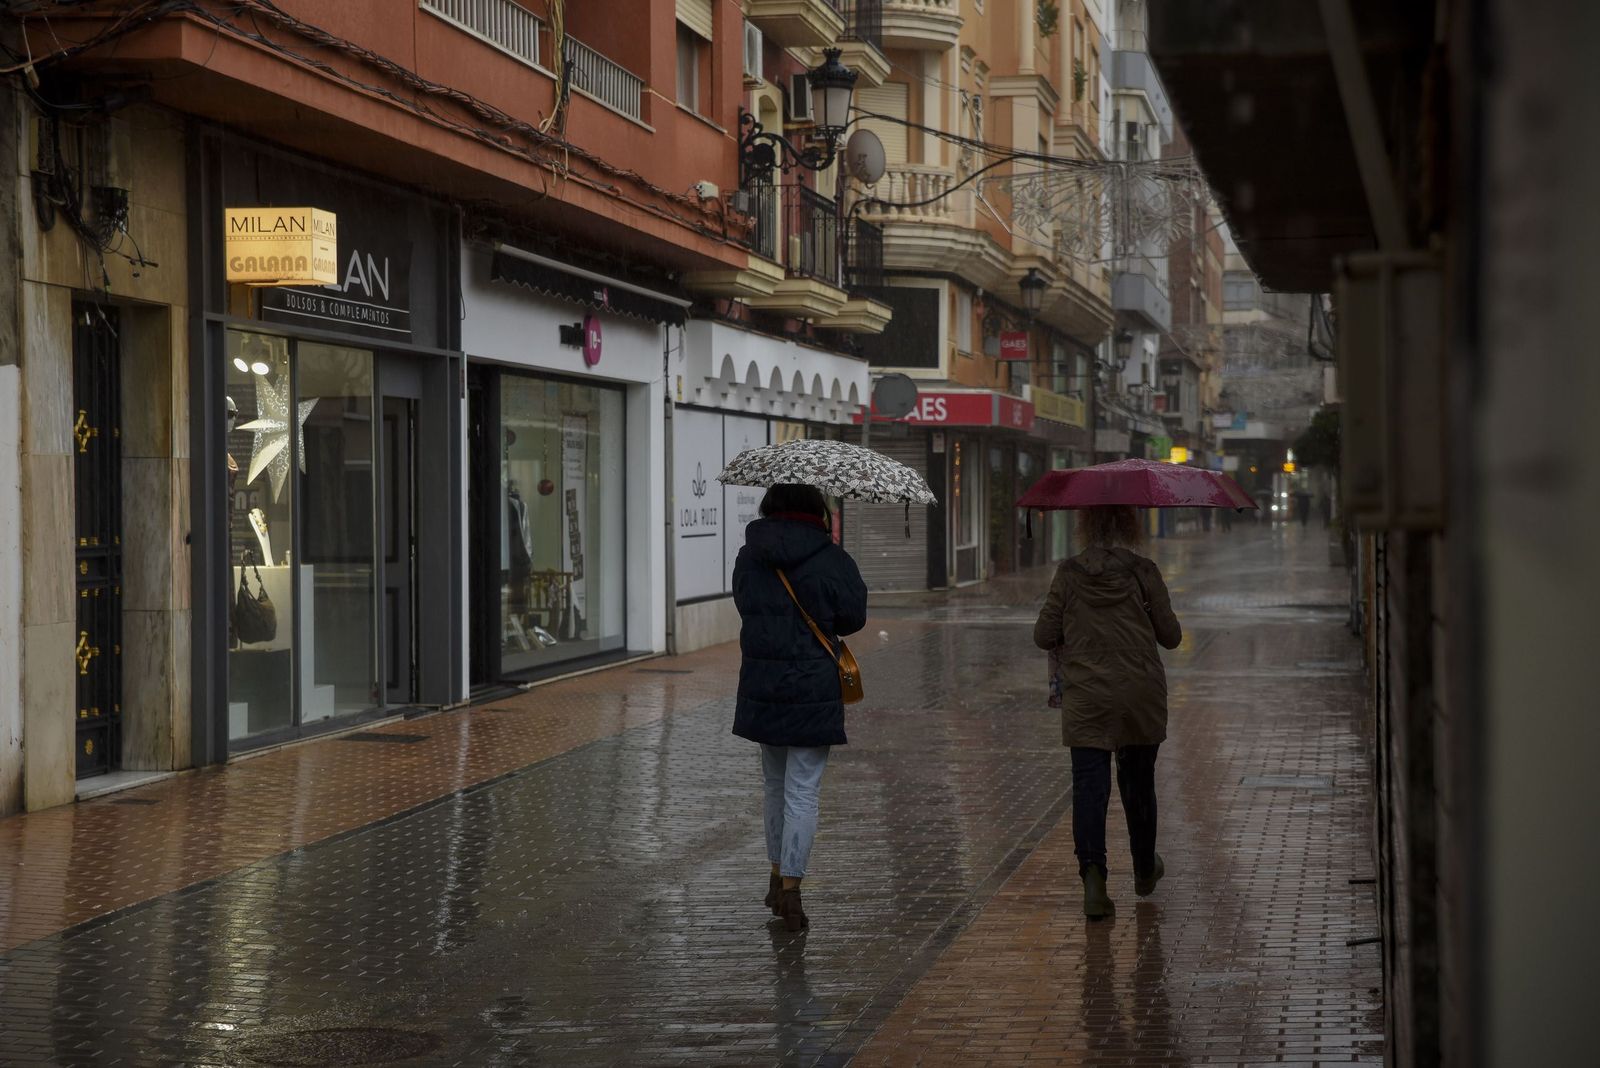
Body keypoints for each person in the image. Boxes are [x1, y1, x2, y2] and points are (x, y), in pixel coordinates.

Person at [1033, 505, 1182, 918]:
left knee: (1089, 789)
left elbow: (1044, 635)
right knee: (1138, 784)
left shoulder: (1068, 573)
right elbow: (1171, 637)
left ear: (1086, 524)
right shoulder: (1144, 571)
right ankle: (1143, 868)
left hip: (1088, 698)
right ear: (1130, 526)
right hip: (1140, 694)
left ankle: (1094, 882)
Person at [732, 483, 868, 933]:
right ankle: (791, 890)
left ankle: (776, 877)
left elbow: (745, 606)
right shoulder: (832, 558)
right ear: (818, 510)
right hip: (812, 688)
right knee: (802, 791)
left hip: (764, 685)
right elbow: (853, 618)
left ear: (770, 507)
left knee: (774, 786)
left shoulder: (750, 556)